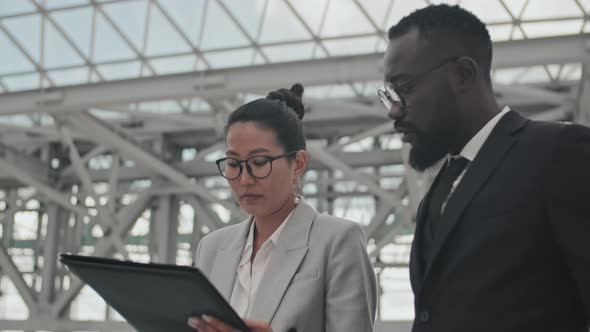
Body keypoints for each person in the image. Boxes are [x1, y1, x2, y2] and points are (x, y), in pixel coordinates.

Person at [379, 4, 590, 332]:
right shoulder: (438, 193)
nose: (394, 111)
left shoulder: (559, 153)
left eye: (404, 88)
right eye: (388, 95)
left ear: (463, 74)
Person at [188, 84, 377, 332]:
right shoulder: (211, 248)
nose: (245, 179)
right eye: (234, 163)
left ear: (298, 163)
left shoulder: (338, 242)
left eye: (259, 162)